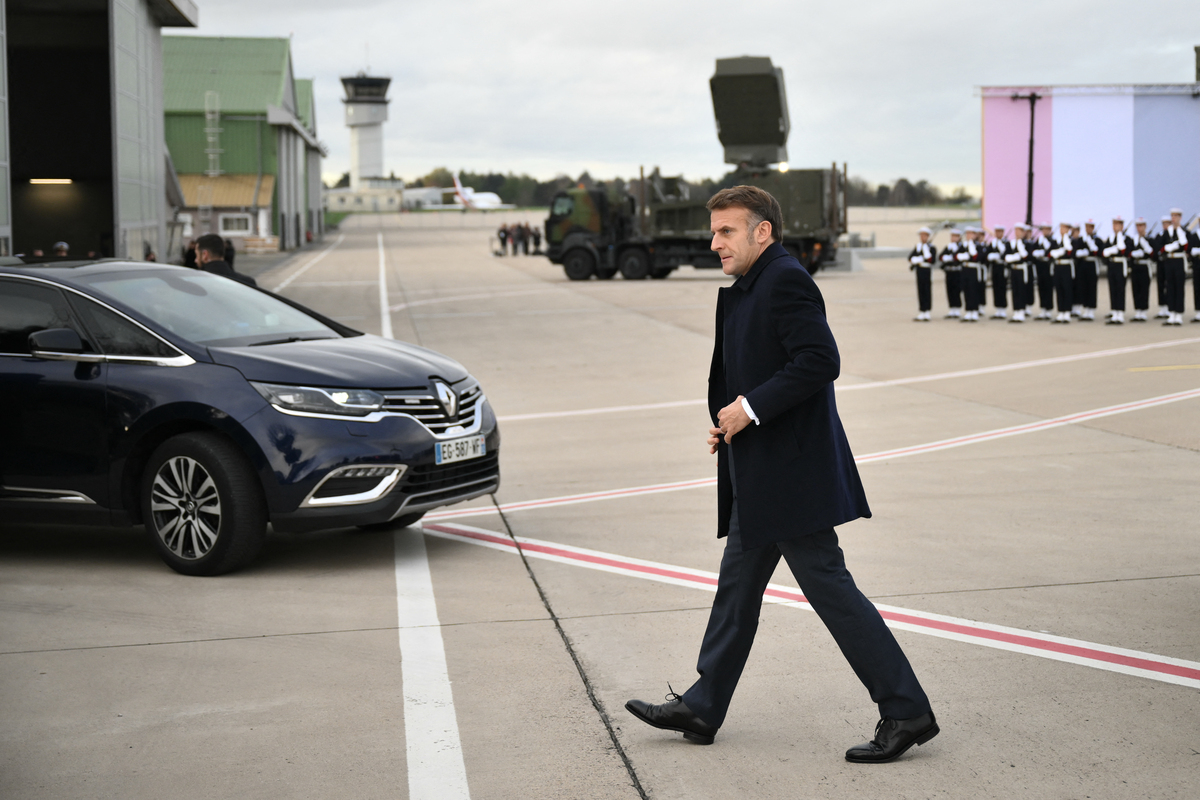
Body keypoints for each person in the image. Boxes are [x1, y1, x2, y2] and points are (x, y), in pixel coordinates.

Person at [625, 185, 937, 764]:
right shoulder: (750, 286)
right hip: (762, 474)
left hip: (791, 479)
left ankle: (905, 708)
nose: (714, 241)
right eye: (713, 230)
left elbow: (820, 359)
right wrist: (730, 420)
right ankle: (703, 703)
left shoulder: (785, 279)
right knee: (736, 592)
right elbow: (752, 367)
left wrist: (750, 408)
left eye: (726, 231)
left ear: (762, 231)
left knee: (831, 590)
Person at [1159, 208, 1190, 326]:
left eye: (1176, 216)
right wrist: (1169, 247)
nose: (1174, 218)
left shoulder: (1184, 231)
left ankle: (1179, 314)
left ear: (1180, 218)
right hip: (1169, 261)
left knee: (1179, 287)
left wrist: (1179, 243)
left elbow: (1187, 246)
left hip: (1179, 260)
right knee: (1170, 287)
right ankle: (1171, 313)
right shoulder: (1167, 232)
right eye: (1172, 216)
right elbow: (1160, 246)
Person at [1102, 216, 1134, 325]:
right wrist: (1113, 250)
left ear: (1122, 226)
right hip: (1112, 265)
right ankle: (1114, 312)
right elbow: (1104, 252)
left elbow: (1125, 252)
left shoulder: (1126, 239)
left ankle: (1120, 313)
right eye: (1114, 224)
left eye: (1118, 224)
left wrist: (1115, 249)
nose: (1115, 226)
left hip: (1121, 265)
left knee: (1120, 289)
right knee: (1112, 288)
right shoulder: (1110, 238)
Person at [1048, 222, 1078, 323]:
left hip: (1067, 266)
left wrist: (1066, 245)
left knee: (1067, 289)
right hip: (1057, 266)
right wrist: (1056, 252)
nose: (1062, 230)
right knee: (1059, 289)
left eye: (1065, 228)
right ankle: (1060, 312)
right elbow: (1048, 253)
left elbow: (1071, 253)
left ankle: (1067, 313)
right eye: (1061, 228)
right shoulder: (1056, 241)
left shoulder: (1072, 241)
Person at [1004, 223, 1033, 322]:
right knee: (1014, 291)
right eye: (1016, 230)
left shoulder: (1027, 244)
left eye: (1020, 231)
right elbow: (1005, 256)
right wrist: (1015, 257)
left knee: (1021, 291)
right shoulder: (1011, 243)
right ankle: (1016, 311)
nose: (1017, 233)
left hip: (1022, 270)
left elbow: (1027, 257)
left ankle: (1021, 311)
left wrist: (1019, 253)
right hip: (1014, 269)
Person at [908, 226, 937, 321]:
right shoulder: (918, 247)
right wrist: (916, 259)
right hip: (919, 269)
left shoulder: (931, 247)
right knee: (920, 290)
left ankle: (927, 311)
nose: (922, 237)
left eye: (924, 235)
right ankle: (922, 310)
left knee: (927, 290)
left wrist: (923, 255)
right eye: (921, 235)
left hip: (926, 270)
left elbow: (931, 260)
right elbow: (910, 257)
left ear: (928, 236)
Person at [1128, 218, 1154, 322]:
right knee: (1136, 289)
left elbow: (1154, 254)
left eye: (1141, 226)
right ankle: (1137, 311)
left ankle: (1143, 312)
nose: (1140, 228)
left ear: (1145, 227)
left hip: (1144, 266)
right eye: (1138, 226)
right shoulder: (1133, 240)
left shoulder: (1149, 239)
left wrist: (1146, 247)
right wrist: (1134, 254)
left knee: (1144, 289)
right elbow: (1128, 252)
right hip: (1135, 266)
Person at [957, 227, 984, 322]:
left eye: (971, 234)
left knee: (974, 290)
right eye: (967, 234)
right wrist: (964, 256)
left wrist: (970, 253)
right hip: (965, 269)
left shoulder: (978, 245)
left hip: (974, 270)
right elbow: (956, 256)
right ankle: (968, 311)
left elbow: (978, 257)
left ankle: (975, 311)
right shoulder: (963, 245)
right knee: (966, 290)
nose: (969, 236)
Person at [1077, 220, 1102, 321]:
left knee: (1092, 287)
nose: (1088, 229)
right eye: (1087, 227)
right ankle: (1085, 309)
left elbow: (1100, 252)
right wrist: (1081, 252)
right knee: (1084, 287)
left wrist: (1092, 246)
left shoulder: (1097, 240)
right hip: (1084, 265)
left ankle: (1091, 310)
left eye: (1090, 227)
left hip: (1092, 264)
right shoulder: (1081, 240)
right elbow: (1076, 251)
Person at [1031, 223, 1055, 320]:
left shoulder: (1053, 241)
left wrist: (1045, 252)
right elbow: (1032, 251)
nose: (1045, 231)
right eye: (1043, 229)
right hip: (1040, 265)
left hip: (1048, 265)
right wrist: (1036, 253)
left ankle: (1048, 310)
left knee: (1048, 288)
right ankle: (1043, 309)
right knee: (1041, 287)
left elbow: (1051, 252)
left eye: (1047, 229)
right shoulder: (1039, 240)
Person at [939, 228, 964, 318]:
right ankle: (951, 308)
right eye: (952, 236)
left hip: (957, 271)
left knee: (957, 290)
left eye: (955, 236)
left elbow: (958, 258)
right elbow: (940, 256)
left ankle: (957, 309)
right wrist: (946, 257)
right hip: (949, 271)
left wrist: (951, 257)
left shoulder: (961, 247)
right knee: (949, 290)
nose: (953, 238)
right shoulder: (949, 246)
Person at [987, 224, 1009, 319]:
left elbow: (1007, 254)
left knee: (1002, 287)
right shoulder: (993, 243)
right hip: (995, 267)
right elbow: (987, 254)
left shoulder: (1006, 243)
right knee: (995, 287)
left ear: (1003, 233)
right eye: (996, 231)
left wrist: (1001, 252)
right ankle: (997, 309)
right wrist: (991, 255)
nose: (998, 233)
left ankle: (1003, 309)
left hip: (1002, 267)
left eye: (1000, 232)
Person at [1153, 215, 1171, 319]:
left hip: (1169, 262)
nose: (1165, 225)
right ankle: (1162, 308)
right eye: (1164, 223)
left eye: (1167, 223)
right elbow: (1156, 247)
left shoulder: (1172, 235)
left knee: (1169, 285)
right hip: (1161, 263)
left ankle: (1169, 307)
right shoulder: (1159, 235)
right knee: (1160, 284)